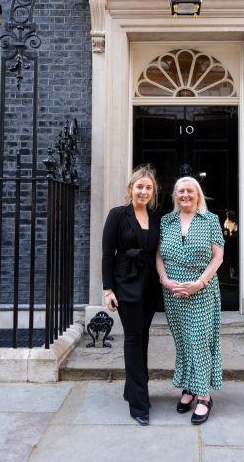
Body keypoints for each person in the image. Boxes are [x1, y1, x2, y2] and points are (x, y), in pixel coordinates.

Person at [156, 176, 224, 425]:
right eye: (180, 191)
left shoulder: (211, 220)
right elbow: (158, 255)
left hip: (202, 291)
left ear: (198, 195)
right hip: (173, 292)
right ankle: (189, 387)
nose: (185, 195)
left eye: (190, 191)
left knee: (199, 341)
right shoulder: (167, 221)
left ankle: (204, 396)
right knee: (184, 342)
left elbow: (218, 256)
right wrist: (164, 278)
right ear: (175, 195)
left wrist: (200, 283)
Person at [102, 165, 162, 426]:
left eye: (149, 188)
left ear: (153, 191)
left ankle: (134, 390)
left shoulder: (156, 217)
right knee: (134, 338)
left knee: (143, 336)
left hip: (149, 283)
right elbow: (107, 254)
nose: (144, 191)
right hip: (125, 282)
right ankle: (138, 403)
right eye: (140, 186)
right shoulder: (118, 215)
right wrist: (107, 290)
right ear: (131, 188)